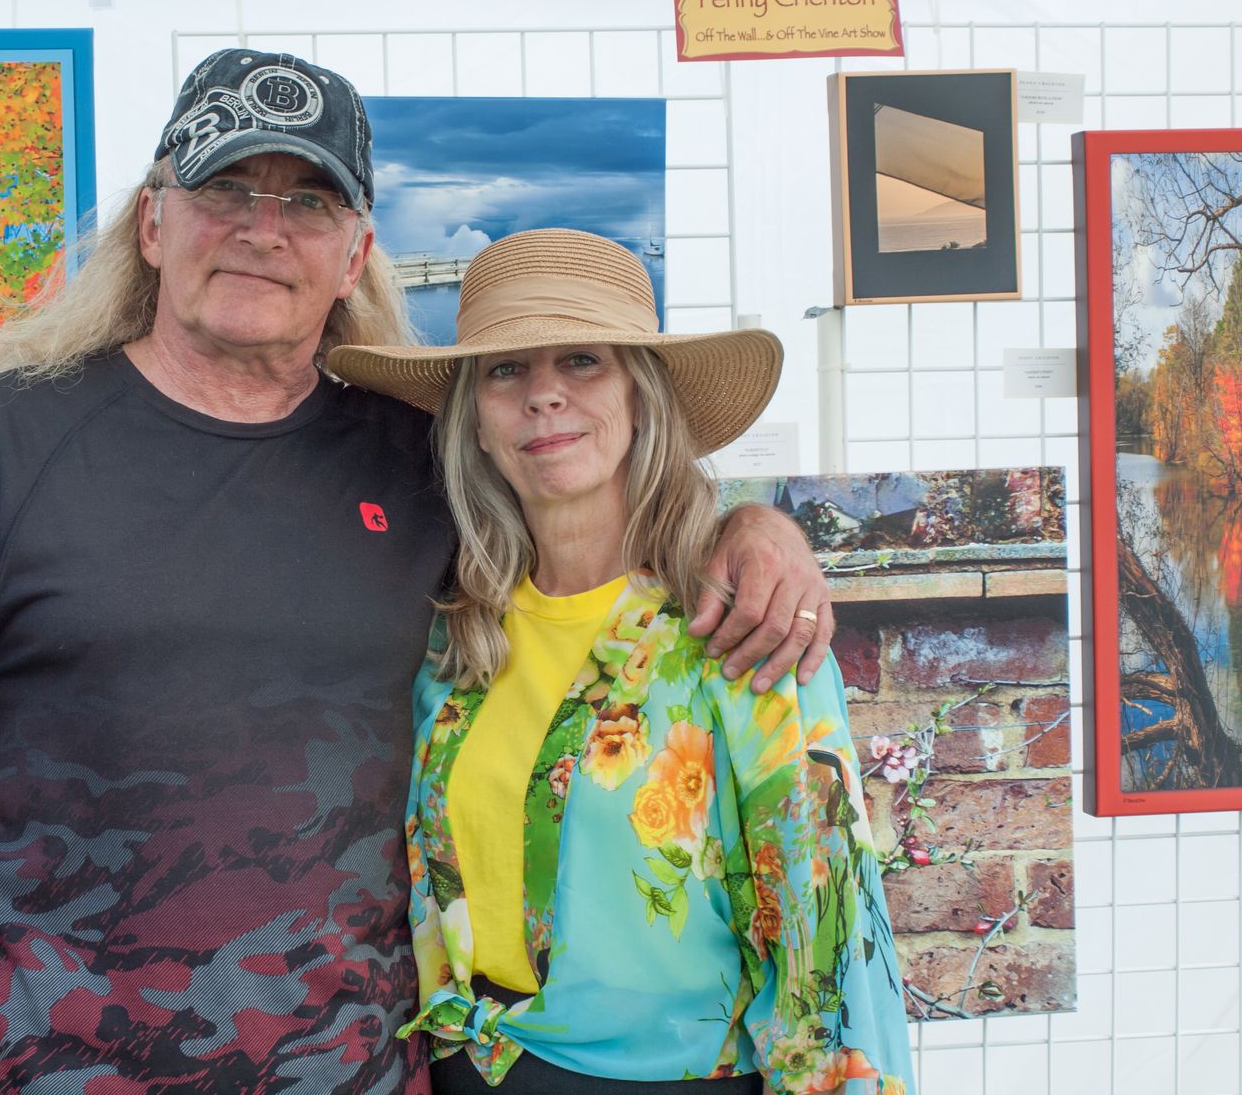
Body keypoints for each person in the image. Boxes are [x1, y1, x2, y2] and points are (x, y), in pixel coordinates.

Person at [0, 51, 837, 1093]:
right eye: (225, 189)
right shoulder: (5, 441)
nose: (263, 229)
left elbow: (594, 533)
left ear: (354, 256)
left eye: (308, 201)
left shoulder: (422, 461)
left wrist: (752, 530)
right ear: (153, 223)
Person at [328, 229, 914, 1094]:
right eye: (505, 370)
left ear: (643, 397)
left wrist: (758, 524)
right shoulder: (455, 634)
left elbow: (829, 961)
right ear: (474, 424)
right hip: (464, 1074)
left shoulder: (740, 627)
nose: (544, 395)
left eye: (583, 361)